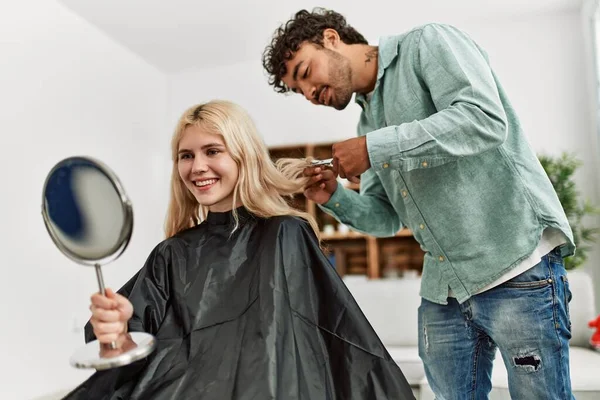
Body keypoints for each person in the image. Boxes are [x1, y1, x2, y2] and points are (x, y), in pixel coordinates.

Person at [262, 8, 576, 399]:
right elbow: (387, 219)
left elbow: (483, 119)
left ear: (330, 38)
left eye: (306, 73)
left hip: (517, 264)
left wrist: (376, 148)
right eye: (299, 91)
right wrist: (333, 197)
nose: (309, 94)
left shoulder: (427, 43)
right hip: (444, 292)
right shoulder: (366, 125)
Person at [63, 100, 415, 399]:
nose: (197, 166)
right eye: (186, 156)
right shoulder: (170, 254)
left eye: (212, 151)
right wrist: (115, 330)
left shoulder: (285, 234)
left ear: (243, 156)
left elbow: (333, 339)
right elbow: (127, 347)